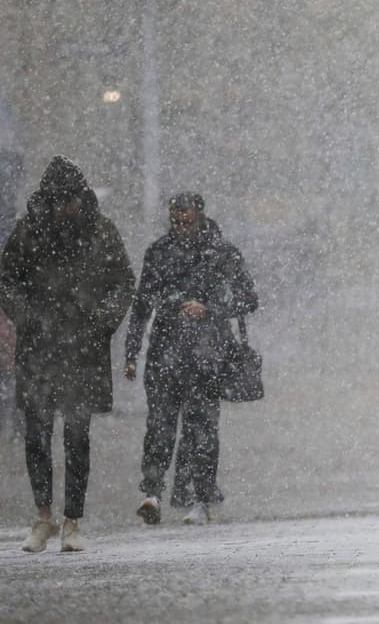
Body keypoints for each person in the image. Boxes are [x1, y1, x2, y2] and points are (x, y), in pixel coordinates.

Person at [0, 156, 135, 553]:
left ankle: (73, 520)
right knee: (37, 436)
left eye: (71, 201)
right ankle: (44, 518)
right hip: (38, 350)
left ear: (82, 198)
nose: (66, 209)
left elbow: (123, 282)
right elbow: (6, 281)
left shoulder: (101, 232)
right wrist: (27, 319)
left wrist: (100, 321)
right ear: (48, 200)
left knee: (77, 436)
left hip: (84, 350)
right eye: (60, 202)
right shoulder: (28, 233)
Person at [125, 192, 258, 525]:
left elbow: (247, 298)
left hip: (207, 356)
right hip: (165, 355)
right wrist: (131, 352)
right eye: (175, 216)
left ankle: (200, 497)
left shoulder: (223, 253)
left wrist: (210, 308)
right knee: (159, 427)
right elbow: (142, 304)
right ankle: (152, 492)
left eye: (185, 215)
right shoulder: (159, 252)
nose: (180, 222)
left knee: (202, 430)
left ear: (199, 214)